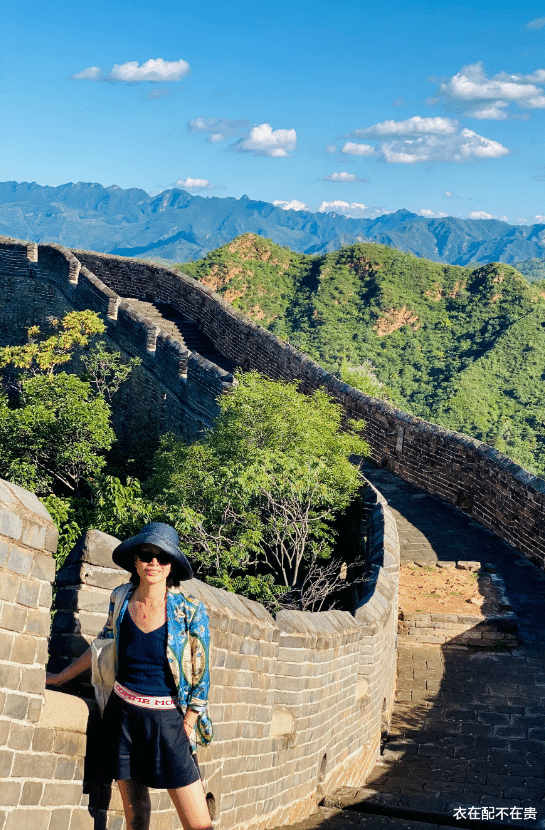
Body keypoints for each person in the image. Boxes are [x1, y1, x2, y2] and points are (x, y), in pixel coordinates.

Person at [46, 522, 213, 830]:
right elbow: (102, 646)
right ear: (135, 561)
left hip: (168, 723)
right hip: (122, 716)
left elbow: (201, 673)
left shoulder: (189, 610)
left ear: (171, 565)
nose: (154, 563)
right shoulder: (121, 598)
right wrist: (59, 678)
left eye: (163, 558)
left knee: (199, 824)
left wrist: (188, 724)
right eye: (147, 555)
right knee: (135, 816)